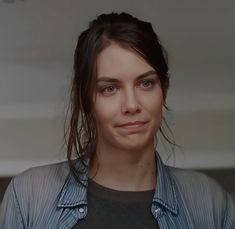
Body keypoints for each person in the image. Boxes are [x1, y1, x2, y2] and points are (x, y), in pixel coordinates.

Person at [0, 12, 234, 229]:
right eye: (109, 88)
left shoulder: (209, 202)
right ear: (84, 98)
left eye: (145, 83)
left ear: (164, 88)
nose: (131, 105)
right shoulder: (30, 197)